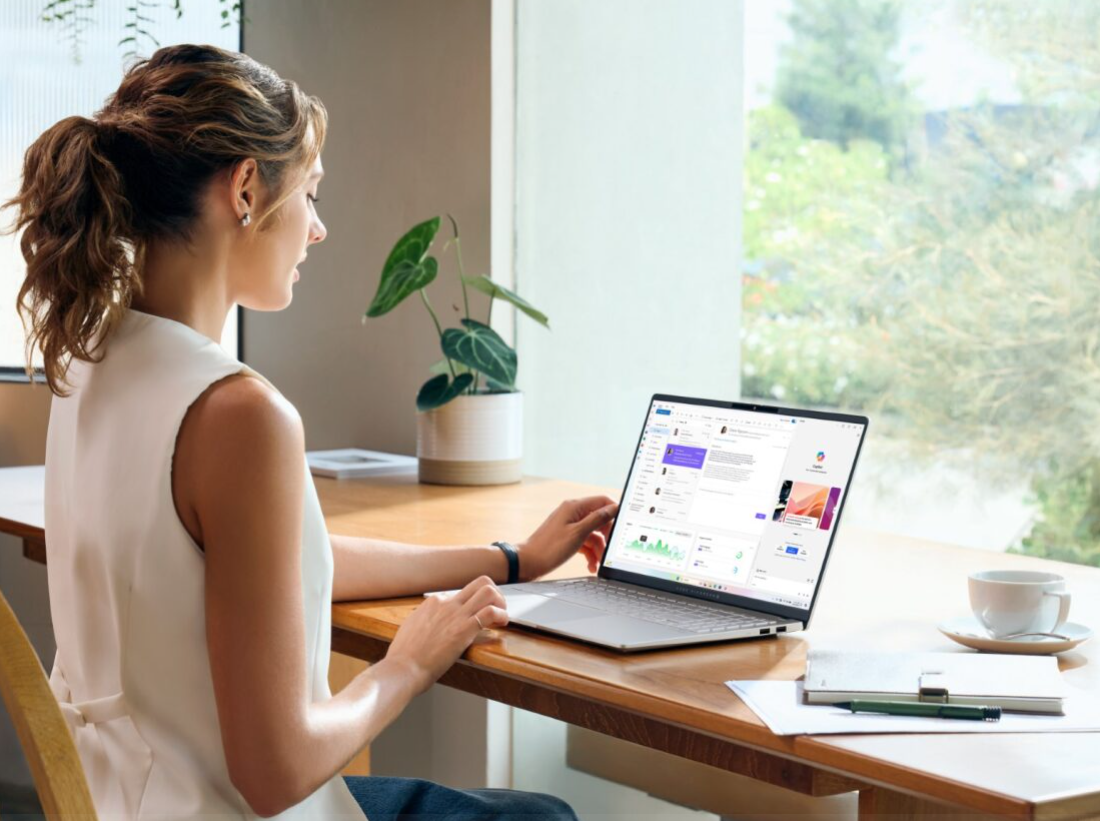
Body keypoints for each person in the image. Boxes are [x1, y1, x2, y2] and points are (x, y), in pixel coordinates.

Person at [4, 44, 617, 820]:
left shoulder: (91, 354)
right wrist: (406, 663)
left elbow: (270, 565)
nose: (318, 229)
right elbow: (276, 769)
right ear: (248, 189)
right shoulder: (237, 412)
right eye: (312, 194)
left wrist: (510, 558)